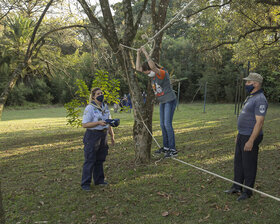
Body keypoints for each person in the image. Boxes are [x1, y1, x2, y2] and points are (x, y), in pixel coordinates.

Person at [224, 73, 268, 201]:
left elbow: (259, 122)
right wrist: (239, 134)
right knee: (239, 162)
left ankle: (247, 191)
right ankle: (237, 186)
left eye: (248, 82)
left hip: (251, 136)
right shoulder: (251, 97)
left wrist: (251, 140)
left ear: (256, 83)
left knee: (248, 164)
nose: (246, 84)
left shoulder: (260, 99)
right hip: (242, 134)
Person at [136, 46, 177, 158]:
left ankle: (173, 150)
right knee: (162, 125)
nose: (147, 74)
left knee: (167, 124)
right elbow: (138, 68)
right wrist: (138, 54)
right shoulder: (152, 76)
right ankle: (166, 147)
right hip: (163, 101)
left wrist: (145, 52)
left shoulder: (161, 73)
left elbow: (152, 66)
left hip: (170, 100)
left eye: (147, 72)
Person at [81, 87, 115, 191]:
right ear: (93, 96)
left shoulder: (105, 107)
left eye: (102, 93)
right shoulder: (90, 108)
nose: (101, 95)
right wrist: (98, 123)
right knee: (90, 159)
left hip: (103, 135)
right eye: (98, 94)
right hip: (92, 135)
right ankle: (85, 183)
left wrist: (112, 135)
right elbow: (84, 124)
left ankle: (99, 180)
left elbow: (108, 123)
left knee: (100, 159)